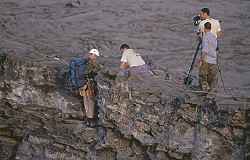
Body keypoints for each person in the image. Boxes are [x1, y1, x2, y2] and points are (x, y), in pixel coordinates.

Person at [79, 49, 101, 126]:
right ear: (94, 55)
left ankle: (87, 119)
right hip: (88, 84)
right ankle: (91, 120)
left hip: (81, 84)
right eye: (96, 56)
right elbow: (98, 68)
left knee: (85, 100)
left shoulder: (82, 61)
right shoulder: (91, 61)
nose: (95, 58)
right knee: (91, 101)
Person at [197, 22, 218, 92]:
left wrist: (201, 60)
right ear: (210, 28)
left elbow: (205, 50)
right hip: (214, 61)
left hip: (206, 61)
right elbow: (216, 48)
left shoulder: (205, 38)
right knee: (212, 80)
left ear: (204, 28)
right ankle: (212, 96)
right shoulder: (214, 37)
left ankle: (204, 96)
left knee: (203, 78)